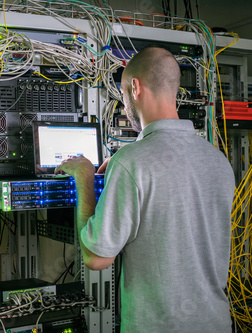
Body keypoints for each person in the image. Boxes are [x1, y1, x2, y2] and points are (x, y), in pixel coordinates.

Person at [55, 47, 234, 332]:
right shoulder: (218, 160)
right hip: (216, 323)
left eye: (123, 92)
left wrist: (84, 178)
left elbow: (96, 258)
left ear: (135, 87)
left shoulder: (131, 163)